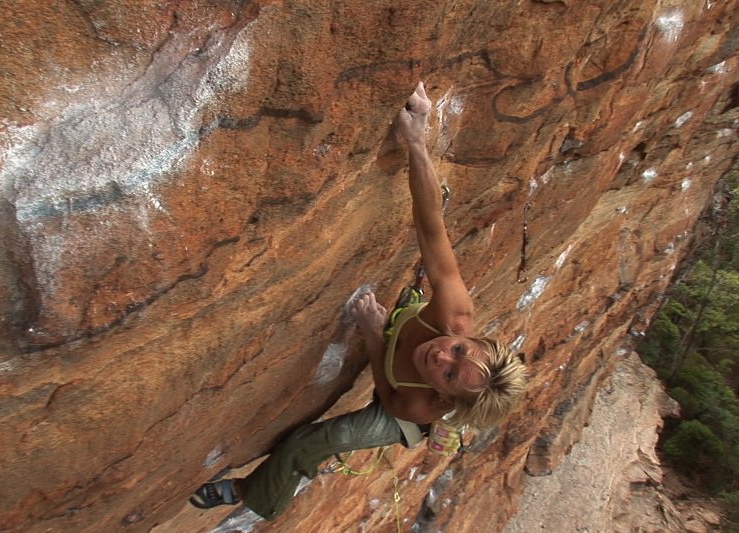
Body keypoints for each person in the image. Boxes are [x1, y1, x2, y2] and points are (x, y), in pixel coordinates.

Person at [189, 82, 528, 520]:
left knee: (308, 443)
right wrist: (417, 140)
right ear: (471, 337)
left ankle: (248, 494)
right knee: (431, 237)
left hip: (395, 414)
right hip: (414, 337)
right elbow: (431, 229)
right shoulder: (454, 317)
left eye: (447, 371)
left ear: (443, 396)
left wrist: (375, 338)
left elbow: (387, 398)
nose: (440, 353)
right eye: (459, 350)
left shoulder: (422, 405)